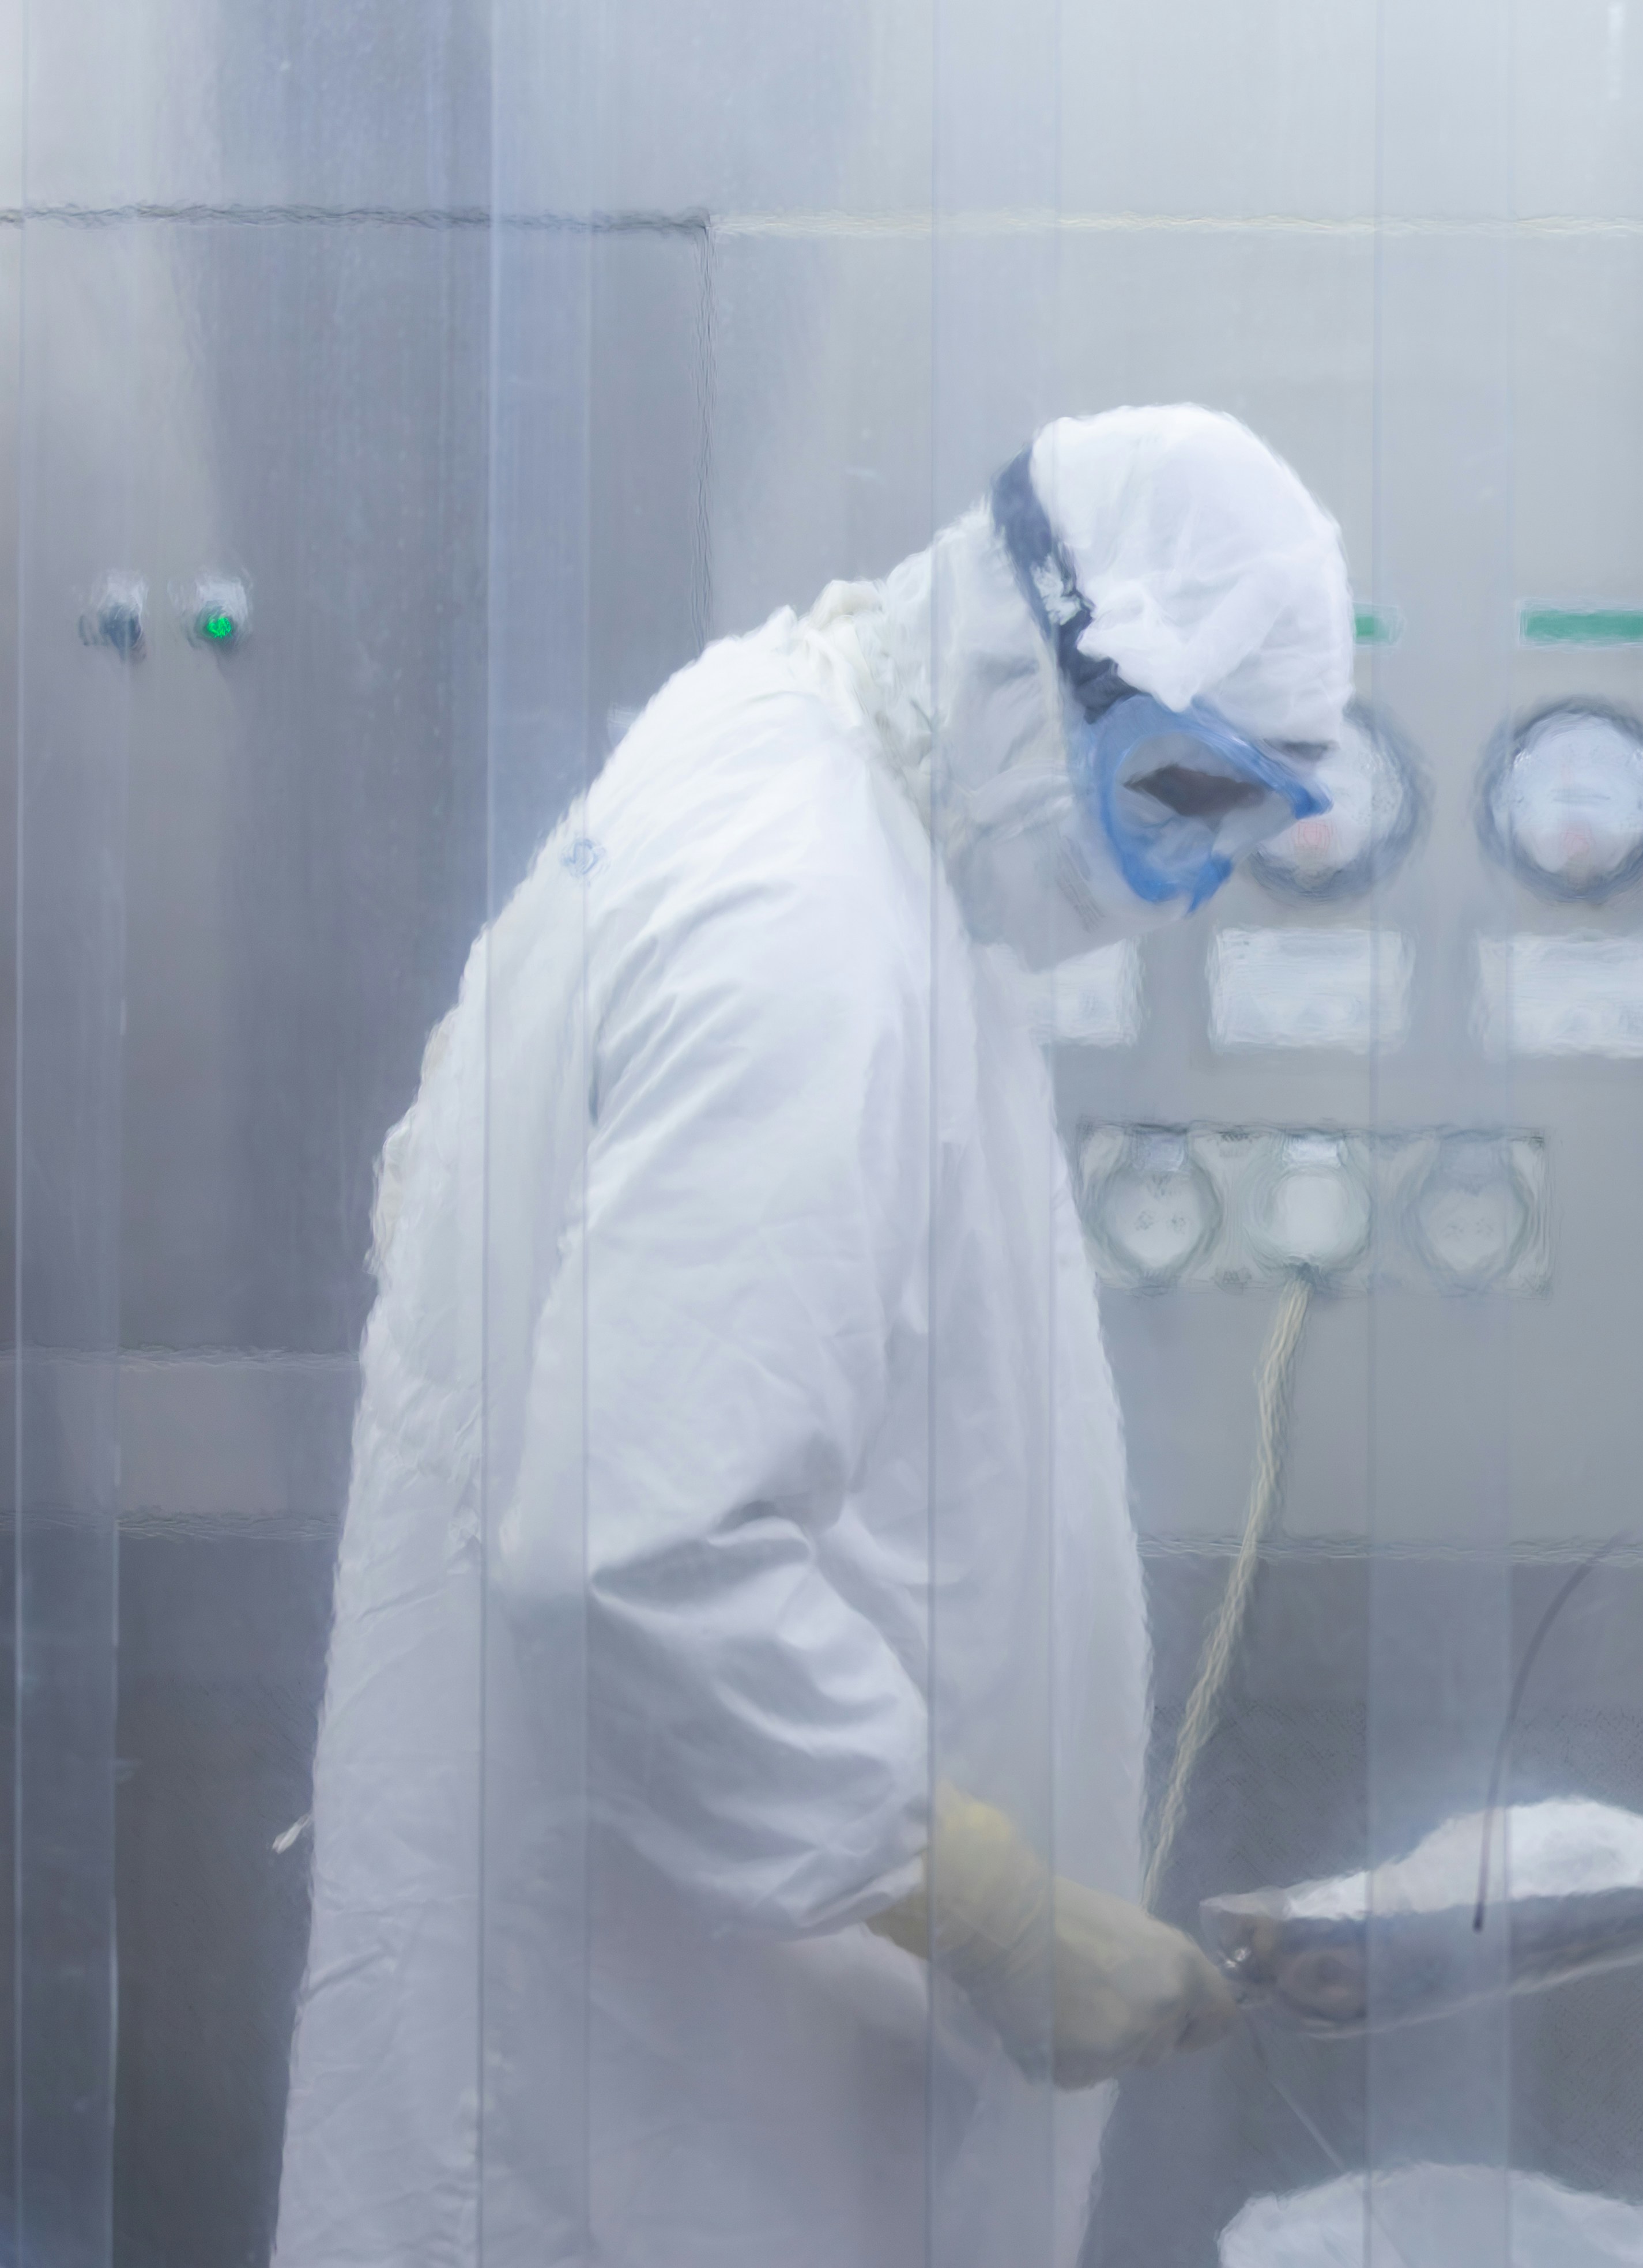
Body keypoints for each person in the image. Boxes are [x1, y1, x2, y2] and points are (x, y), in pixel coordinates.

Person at [272, 406, 1356, 2268]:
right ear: (1037, 664)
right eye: (1173, 800)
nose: (1177, 887)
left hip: (678, 1990)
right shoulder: (813, 923)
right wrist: (992, 1908)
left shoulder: (778, 737)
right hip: (669, 2081)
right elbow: (631, 1553)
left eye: (1241, 829)